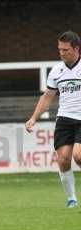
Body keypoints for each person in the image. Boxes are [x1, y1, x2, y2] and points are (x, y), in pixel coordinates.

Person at [25, 30, 81, 208]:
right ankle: (72, 198)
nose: (62, 53)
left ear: (76, 49)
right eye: (60, 49)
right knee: (63, 160)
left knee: (78, 156)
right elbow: (47, 97)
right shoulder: (56, 71)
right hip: (64, 119)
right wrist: (34, 118)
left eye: (66, 50)